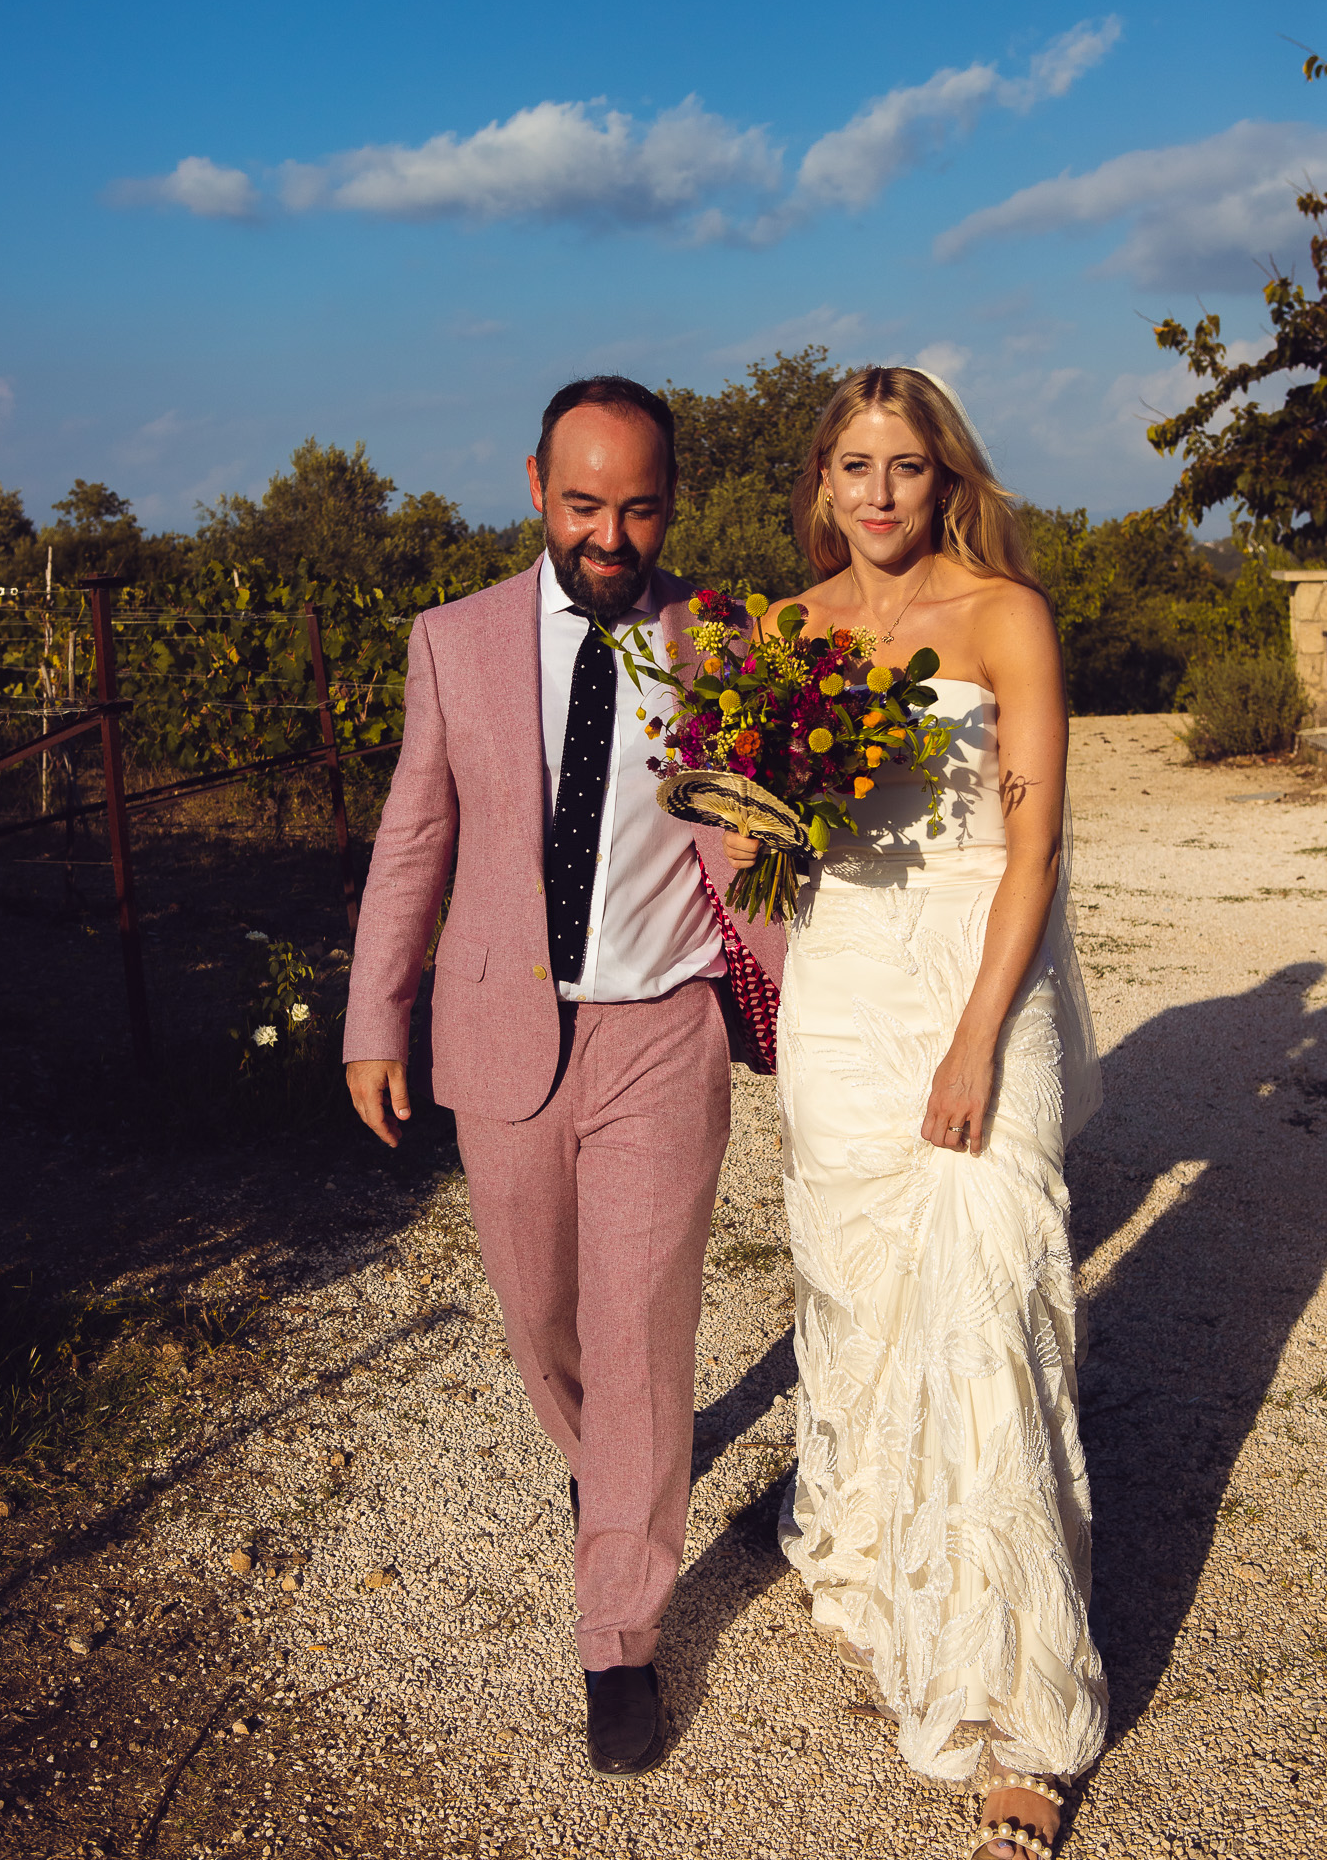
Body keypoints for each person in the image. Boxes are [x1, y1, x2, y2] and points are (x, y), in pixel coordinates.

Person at [343, 375, 783, 1779]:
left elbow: (786, 815)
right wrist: (374, 1018)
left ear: (671, 502)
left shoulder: (722, 639)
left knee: (644, 1324)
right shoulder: (451, 643)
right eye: (584, 502)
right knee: (545, 1317)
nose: (610, 532)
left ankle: (620, 1634)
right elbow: (415, 838)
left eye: (639, 505)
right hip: (502, 1040)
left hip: (663, 1031)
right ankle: (605, 1466)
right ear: (535, 483)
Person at [722, 368, 1106, 1860]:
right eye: (852, 468)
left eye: (905, 467)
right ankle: (881, 1570)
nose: (878, 495)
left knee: (985, 1305)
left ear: (945, 477)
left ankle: (1015, 1713)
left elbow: (1030, 853)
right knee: (863, 1290)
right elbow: (772, 836)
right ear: (820, 481)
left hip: (967, 988)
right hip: (835, 997)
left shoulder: (1004, 616)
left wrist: (975, 1040)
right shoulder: (790, 632)